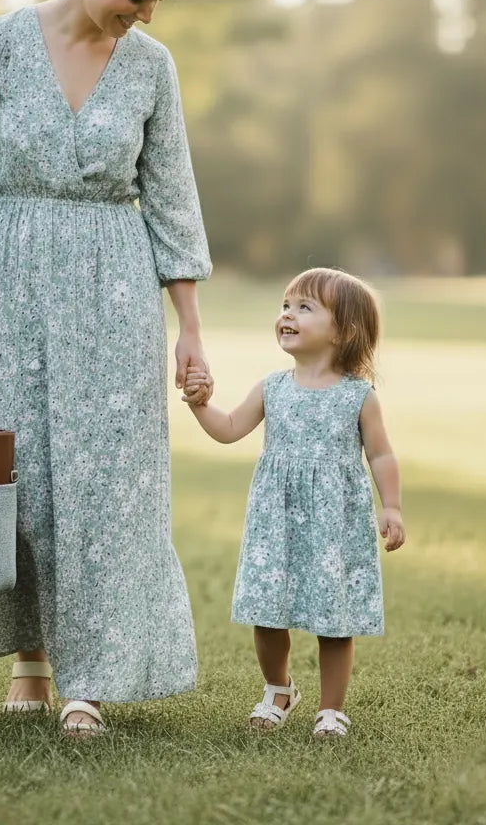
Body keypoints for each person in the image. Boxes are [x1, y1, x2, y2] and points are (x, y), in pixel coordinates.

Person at [0, 0, 212, 738]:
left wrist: (190, 330)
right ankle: (31, 661)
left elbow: (173, 202)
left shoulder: (151, 67)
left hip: (114, 287)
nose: (144, 15)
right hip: (7, 284)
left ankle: (93, 677)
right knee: (18, 471)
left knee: (109, 479)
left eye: (156, 2)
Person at [182, 267, 405, 738]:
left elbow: (381, 454)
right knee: (266, 611)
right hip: (276, 521)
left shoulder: (358, 396)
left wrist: (392, 507)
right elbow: (229, 429)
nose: (287, 314)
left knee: (334, 618)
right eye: (286, 305)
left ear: (344, 331)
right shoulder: (273, 387)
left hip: (334, 524)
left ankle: (331, 709)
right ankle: (278, 688)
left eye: (305, 308)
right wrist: (200, 403)